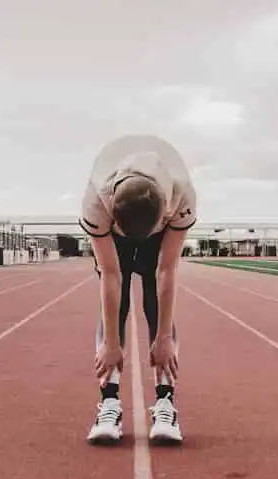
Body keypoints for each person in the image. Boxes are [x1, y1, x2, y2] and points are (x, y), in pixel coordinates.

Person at [80, 134, 196, 445]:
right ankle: (109, 402)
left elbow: (166, 270)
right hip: (115, 235)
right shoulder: (96, 203)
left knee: (155, 306)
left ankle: (165, 402)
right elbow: (110, 274)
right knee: (115, 310)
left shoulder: (182, 196)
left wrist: (164, 339)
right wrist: (112, 345)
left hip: (159, 231)